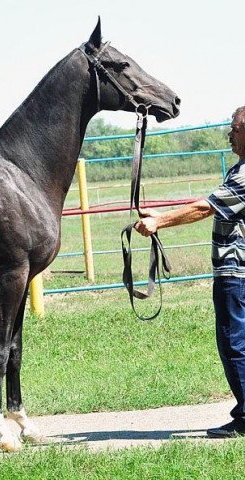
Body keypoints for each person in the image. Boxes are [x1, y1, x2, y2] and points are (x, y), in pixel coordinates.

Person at [135, 106, 245, 438]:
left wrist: (159, 222)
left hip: (235, 273)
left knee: (234, 343)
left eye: (235, 127)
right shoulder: (239, 169)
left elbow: (204, 207)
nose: (230, 133)